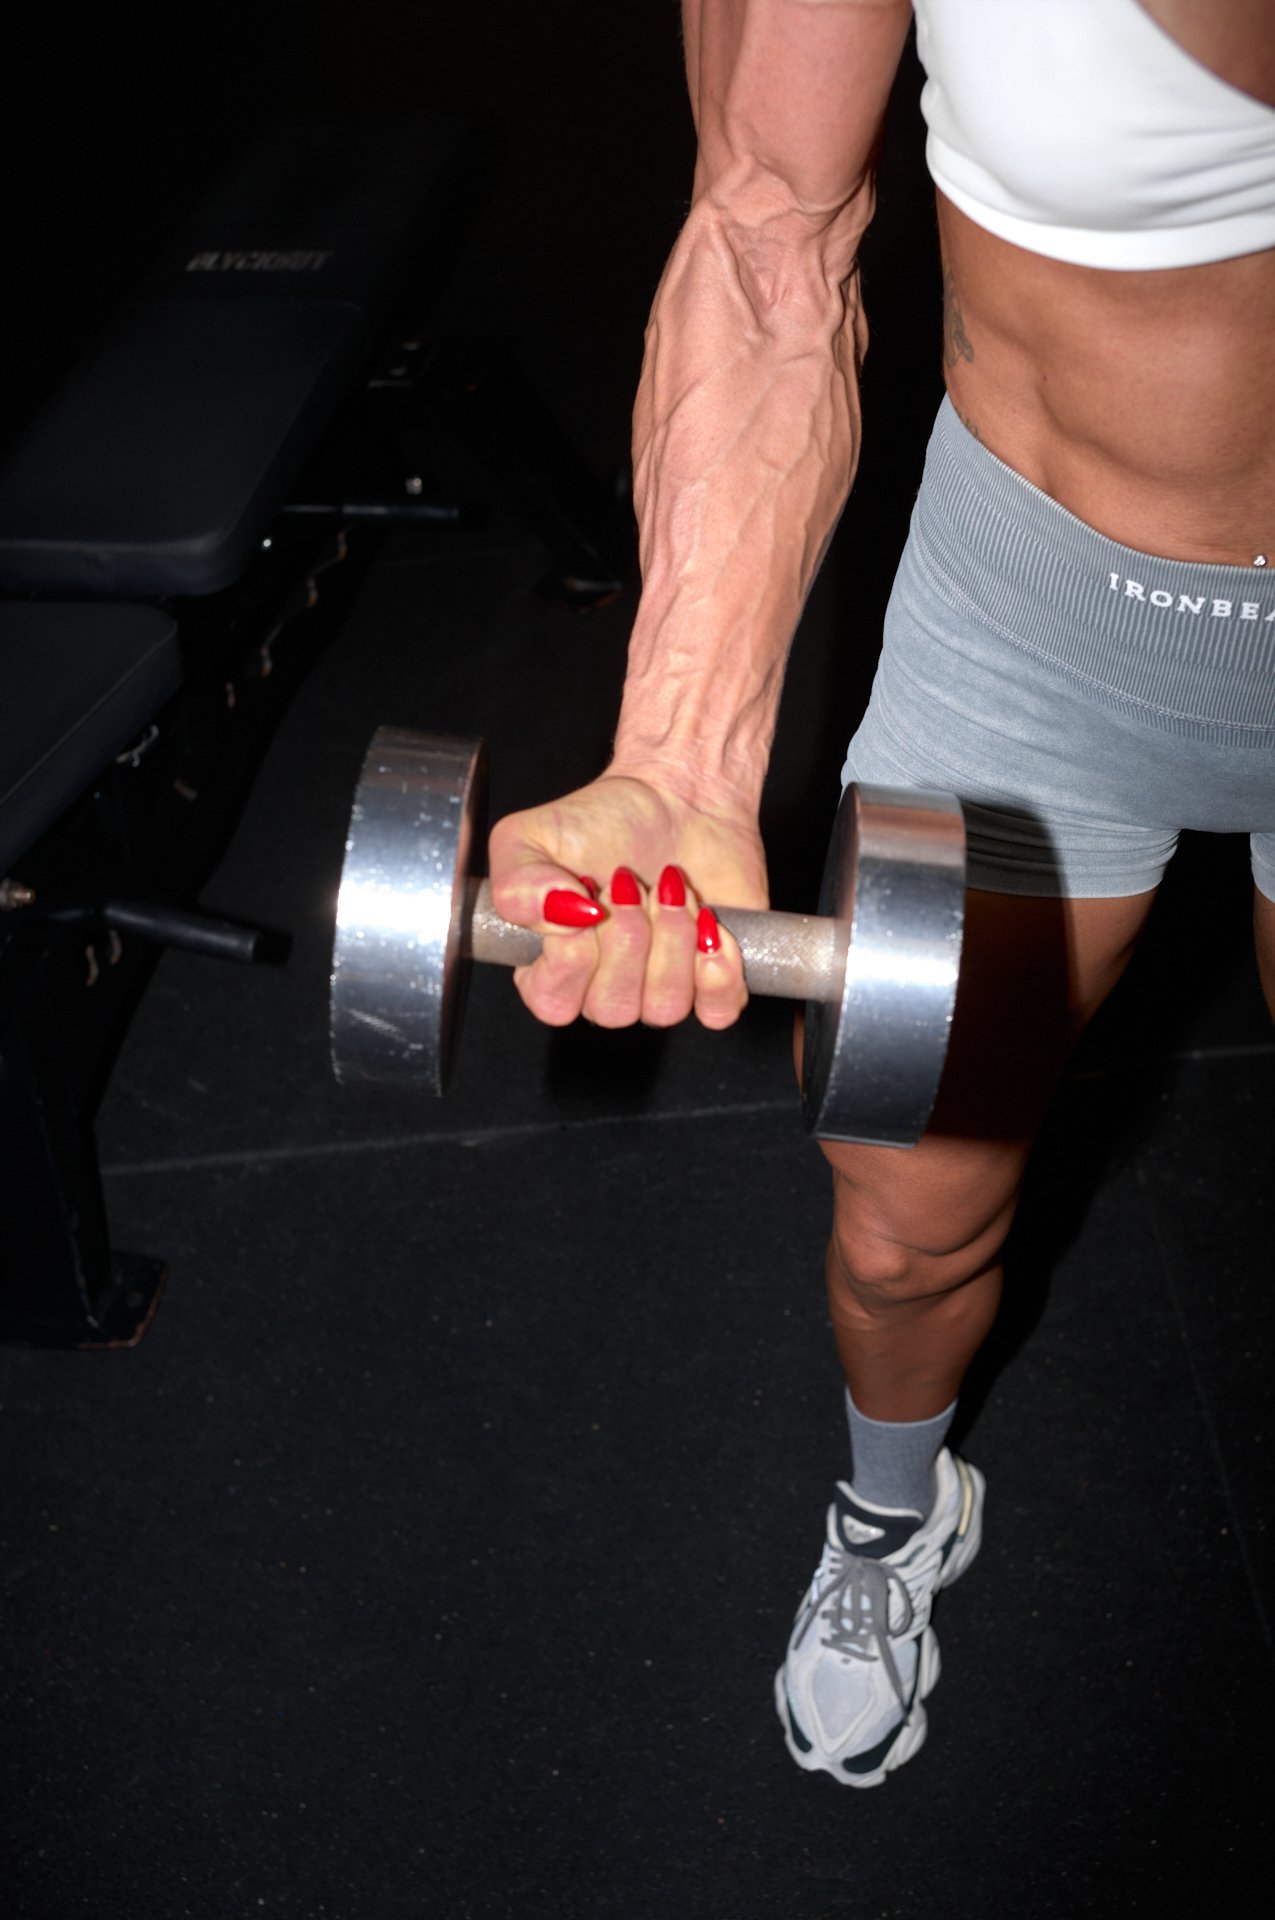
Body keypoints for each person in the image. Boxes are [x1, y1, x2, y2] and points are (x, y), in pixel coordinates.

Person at [487, 0, 1275, 1785]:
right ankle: (892, 1510)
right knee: (901, 1198)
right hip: (1040, 624)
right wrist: (684, 755)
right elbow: (771, 226)